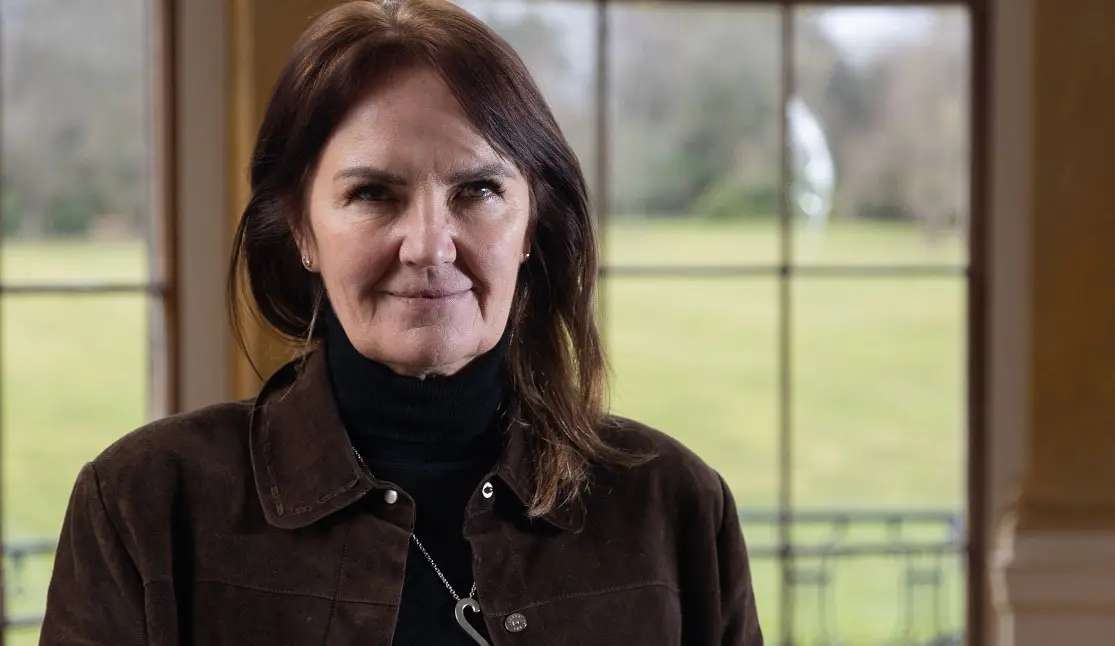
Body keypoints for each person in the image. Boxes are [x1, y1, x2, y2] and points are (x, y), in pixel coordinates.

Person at [40, 0, 763, 644]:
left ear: (534, 222)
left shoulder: (677, 510)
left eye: (477, 190)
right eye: (373, 194)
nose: (428, 246)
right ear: (300, 228)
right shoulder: (142, 507)